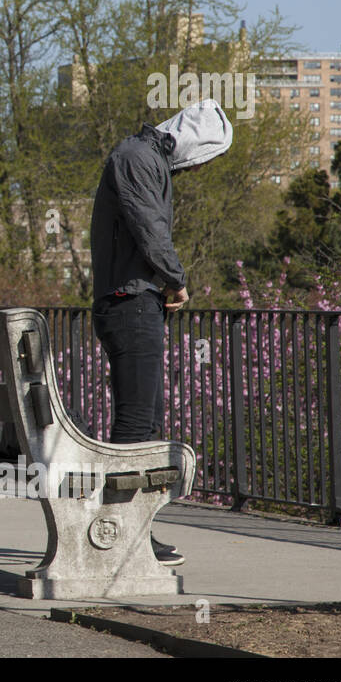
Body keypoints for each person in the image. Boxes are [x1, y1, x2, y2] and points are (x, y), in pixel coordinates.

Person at [89, 97, 233, 567]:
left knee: (146, 422)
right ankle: (119, 537)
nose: (193, 170)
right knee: (137, 425)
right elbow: (150, 229)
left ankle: (130, 534)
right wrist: (176, 279)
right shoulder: (137, 159)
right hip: (130, 305)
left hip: (133, 302)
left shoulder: (142, 158)